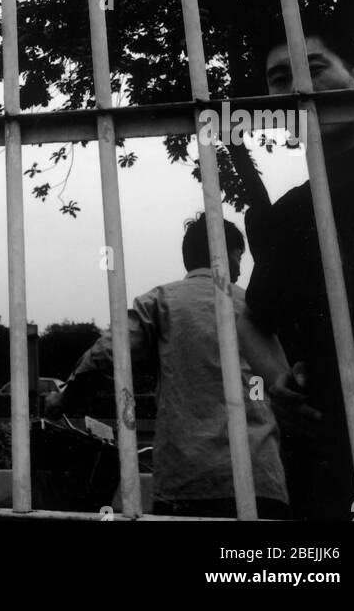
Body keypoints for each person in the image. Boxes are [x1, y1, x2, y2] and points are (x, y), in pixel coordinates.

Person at [239, 0, 354, 521]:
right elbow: (253, 314)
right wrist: (275, 379)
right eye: (280, 79)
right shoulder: (287, 213)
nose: (299, 84)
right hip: (328, 457)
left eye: (316, 67)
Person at [47, 215, 289, 518]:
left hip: (187, 480)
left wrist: (63, 398)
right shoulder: (253, 307)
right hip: (260, 478)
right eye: (239, 256)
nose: (240, 267)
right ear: (227, 254)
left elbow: (105, 354)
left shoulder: (162, 300)